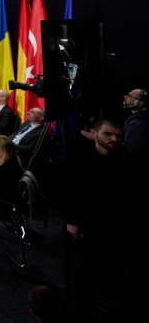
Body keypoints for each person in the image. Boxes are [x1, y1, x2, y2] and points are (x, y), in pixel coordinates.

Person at [64, 117, 145, 319]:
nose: (114, 139)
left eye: (118, 135)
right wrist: (73, 221)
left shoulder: (127, 160)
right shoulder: (81, 158)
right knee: (88, 268)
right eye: (108, 134)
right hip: (91, 222)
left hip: (121, 222)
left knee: (126, 270)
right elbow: (72, 192)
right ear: (94, 134)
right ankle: (83, 309)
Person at [121, 88, 149, 162]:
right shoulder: (140, 118)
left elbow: (130, 150)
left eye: (129, 96)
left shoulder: (138, 123)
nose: (125, 97)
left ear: (139, 102)